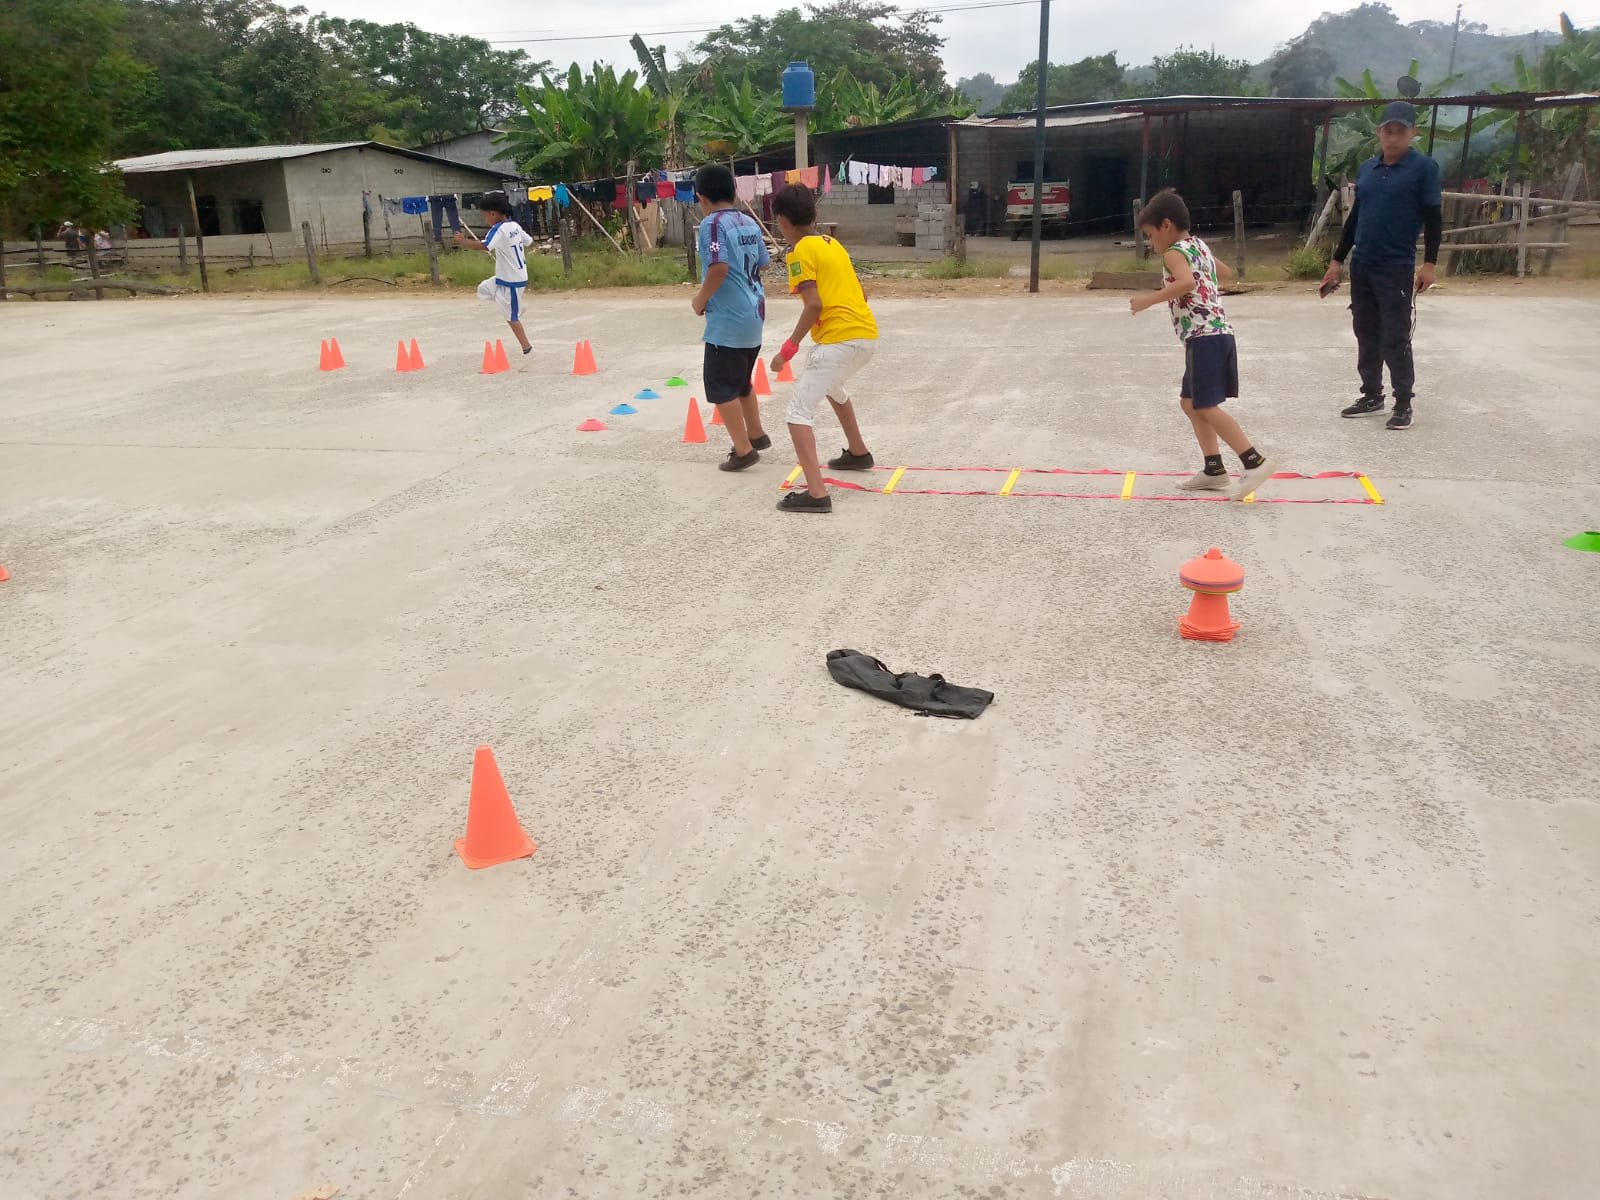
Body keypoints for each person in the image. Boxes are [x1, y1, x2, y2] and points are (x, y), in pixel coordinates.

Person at [1130, 190, 1274, 499]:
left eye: (1151, 235)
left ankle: (1254, 461)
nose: (1152, 244)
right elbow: (1223, 272)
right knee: (1190, 402)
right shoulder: (1198, 246)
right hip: (1218, 334)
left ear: (1166, 225)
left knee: (1206, 406)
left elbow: (1187, 283)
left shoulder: (1173, 253)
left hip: (1204, 337)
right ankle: (1214, 469)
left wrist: (1148, 300)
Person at [1321, 100, 1443, 431]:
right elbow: (1355, 219)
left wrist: (1429, 263)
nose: (1393, 138)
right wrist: (1336, 262)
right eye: (1388, 131)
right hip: (1363, 264)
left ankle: (1403, 402)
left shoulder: (1423, 168)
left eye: (1400, 131)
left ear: (1412, 133)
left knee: (1395, 335)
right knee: (1365, 331)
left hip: (1396, 265)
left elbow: (1434, 218)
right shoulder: (1367, 169)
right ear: (1379, 132)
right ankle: (1372, 394)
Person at [769, 184, 880, 515]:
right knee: (834, 387)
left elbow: (814, 304)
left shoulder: (799, 252)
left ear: (782, 221)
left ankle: (817, 494)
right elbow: (861, 292)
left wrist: (787, 349)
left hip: (838, 342)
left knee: (797, 413)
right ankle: (858, 452)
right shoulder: (833, 244)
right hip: (866, 336)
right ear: (815, 216)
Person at [689, 164, 771, 472]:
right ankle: (756, 433)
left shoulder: (712, 224)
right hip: (754, 315)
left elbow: (718, 267)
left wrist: (700, 300)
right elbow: (763, 262)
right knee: (741, 382)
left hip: (728, 321)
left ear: (702, 197)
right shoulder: (748, 221)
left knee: (720, 387)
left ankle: (744, 449)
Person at [454, 192, 534, 355]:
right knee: (484, 289)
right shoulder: (514, 226)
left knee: (511, 317)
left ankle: (526, 346)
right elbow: (529, 241)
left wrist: (464, 242)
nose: (486, 219)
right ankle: (515, 306)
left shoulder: (499, 229)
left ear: (492, 213)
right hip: (509, 276)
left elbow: (486, 246)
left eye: (485, 216)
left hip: (511, 280)